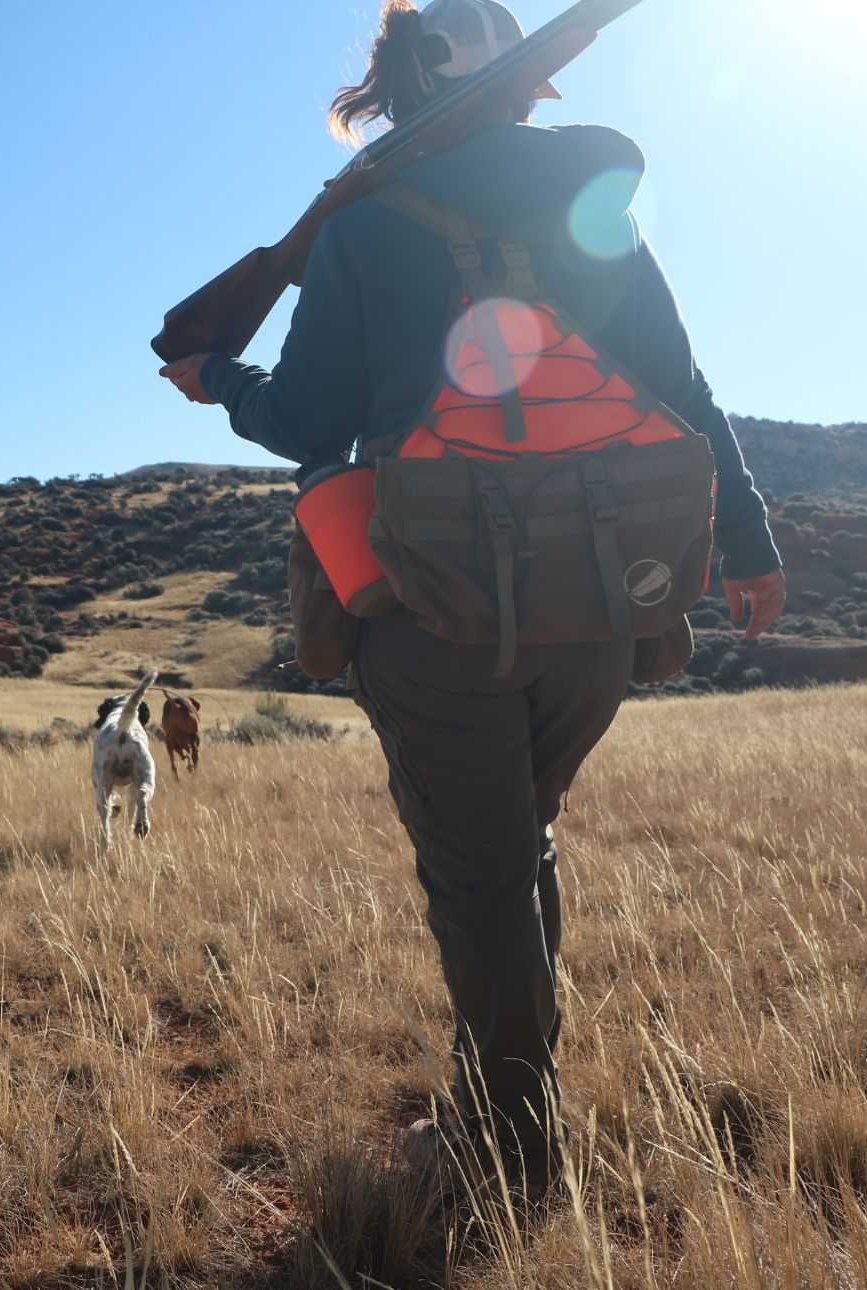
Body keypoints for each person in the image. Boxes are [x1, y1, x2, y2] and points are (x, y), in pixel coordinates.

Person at [160, 0, 786, 1195]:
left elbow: (304, 422)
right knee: (516, 851)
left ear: (408, 75)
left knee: (481, 877)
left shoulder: (365, 225)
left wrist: (217, 380)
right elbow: (686, 392)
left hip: (435, 609)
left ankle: (508, 1153)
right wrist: (748, 546)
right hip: (603, 610)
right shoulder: (592, 209)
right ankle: (499, 1103)